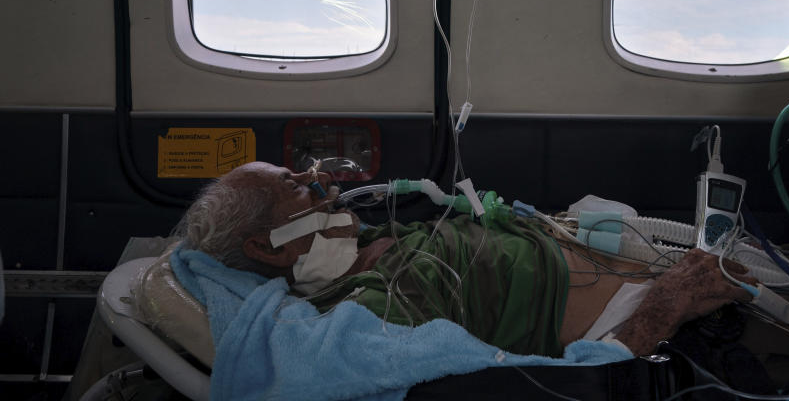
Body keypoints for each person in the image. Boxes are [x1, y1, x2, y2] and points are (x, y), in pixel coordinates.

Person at [174, 161, 756, 359]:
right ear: (264, 247)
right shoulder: (370, 311)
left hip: (653, 264)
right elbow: (553, 381)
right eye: (296, 185)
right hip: (659, 322)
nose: (320, 179)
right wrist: (664, 308)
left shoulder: (373, 241)